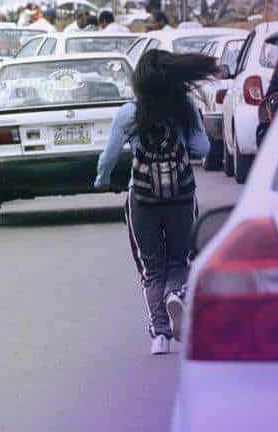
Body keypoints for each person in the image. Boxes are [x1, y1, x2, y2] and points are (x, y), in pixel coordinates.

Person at [94, 50, 214, 355]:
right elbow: (202, 148)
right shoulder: (185, 107)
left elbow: (108, 158)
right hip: (182, 197)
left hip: (142, 200)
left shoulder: (127, 113)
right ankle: (176, 294)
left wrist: (102, 180)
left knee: (151, 268)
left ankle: (160, 335)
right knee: (179, 261)